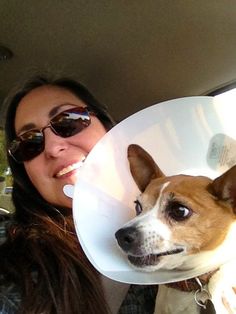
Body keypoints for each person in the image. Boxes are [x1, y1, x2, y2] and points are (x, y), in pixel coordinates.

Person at [0, 75, 158, 314]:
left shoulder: (179, 219)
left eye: (69, 120)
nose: (53, 148)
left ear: (107, 127)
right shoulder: (13, 251)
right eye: (29, 142)